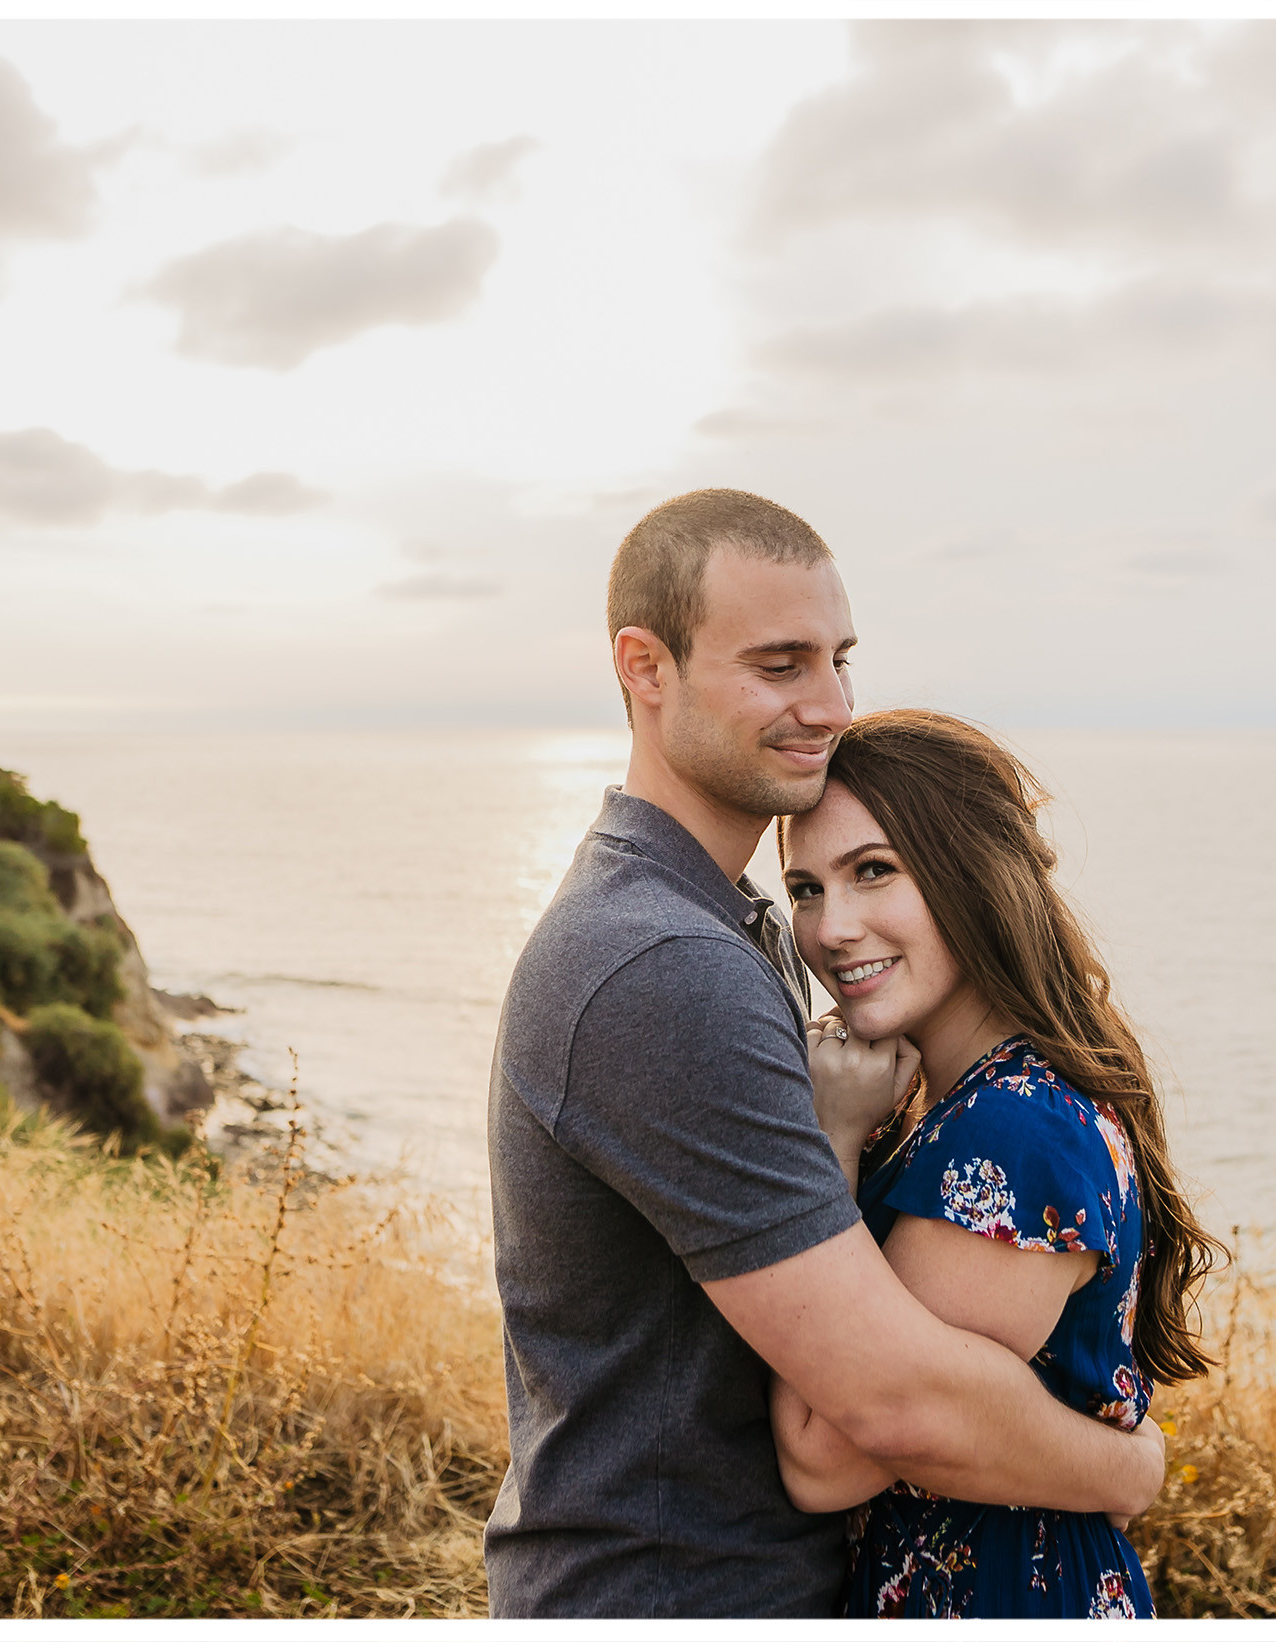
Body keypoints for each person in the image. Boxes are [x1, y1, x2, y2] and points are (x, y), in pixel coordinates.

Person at [485, 490, 1169, 1617]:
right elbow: (888, 1405)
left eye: (838, 659)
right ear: (645, 668)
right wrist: (1131, 1467)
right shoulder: (662, 960)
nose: (829, 705)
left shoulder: (722, 924)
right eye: (779, 663)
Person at [768, 708, 1225, 1619]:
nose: (832, 928)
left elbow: (825, 1454)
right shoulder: (938, 1098)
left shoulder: (1015, 1133)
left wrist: (827, 1140)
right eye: (807, 888)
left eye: (873, 872)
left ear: (970, 876)